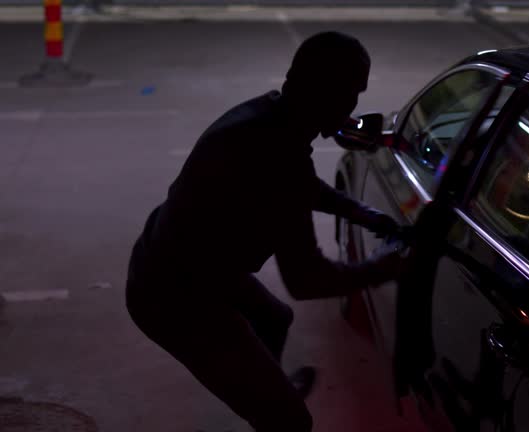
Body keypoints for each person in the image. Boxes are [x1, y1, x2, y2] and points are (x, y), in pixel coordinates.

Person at [125, 31, 404, 432]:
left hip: (183, 259)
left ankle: (266, 389)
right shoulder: (276, 157)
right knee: (290, 420)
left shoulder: (269, 116)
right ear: (320, 92)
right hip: (175, 296)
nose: (352, 109)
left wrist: (363, 213)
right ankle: (270, 402)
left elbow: (304, 185)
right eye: (348, 95)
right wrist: (386, 268)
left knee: (274, 320)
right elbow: (307, 279)